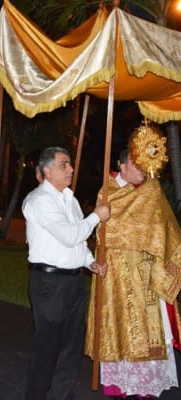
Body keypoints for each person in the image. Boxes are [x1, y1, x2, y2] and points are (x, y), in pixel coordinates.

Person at [85, 149, 181, 399]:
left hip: (146, 271)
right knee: (116, 326)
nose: (141, 171)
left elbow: (165, 228)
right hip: (115, 272)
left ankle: (146, 386)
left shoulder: (152, 190)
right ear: (122, 165)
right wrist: (139, 232)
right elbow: (108, 230)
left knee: (146, 330)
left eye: (144, 166)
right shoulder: (107, 192)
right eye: (136, 166)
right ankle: (117, 384)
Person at [22, 146, 110, 400]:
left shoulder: (69, 199)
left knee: (72, 346)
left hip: (73, 281)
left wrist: (90, 262)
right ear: (47, 170)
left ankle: (62, 395)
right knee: (47, 347)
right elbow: (70, 235)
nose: (71, 169)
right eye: (64, 165)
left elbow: (78, 245)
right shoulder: (39, 200)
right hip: (49, 283)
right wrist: (96, 216)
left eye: (70, 164)